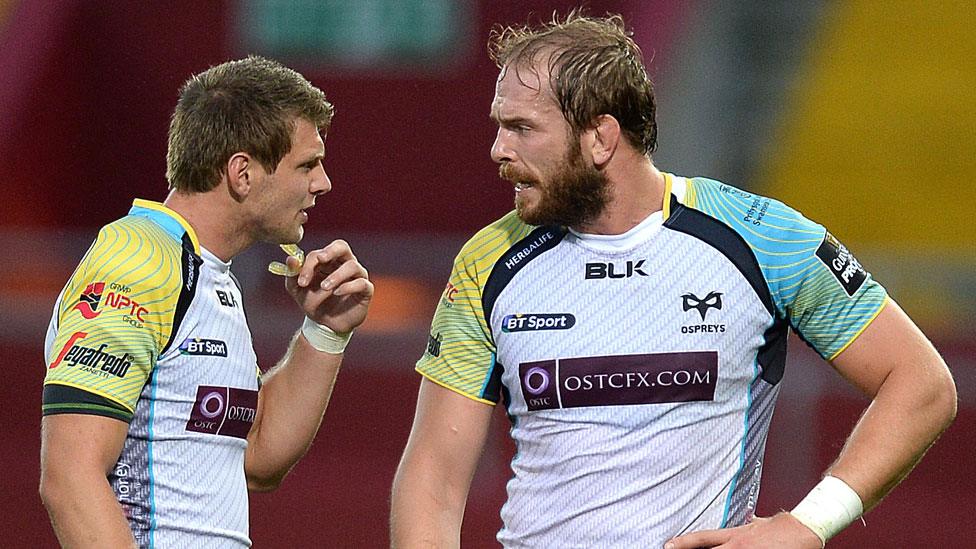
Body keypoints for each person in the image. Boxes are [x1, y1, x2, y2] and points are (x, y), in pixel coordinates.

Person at [390, 12, 956, 548]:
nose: (498, 150)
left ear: (600, 138)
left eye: (521, 128)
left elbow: (922, 382)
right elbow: (433, 472)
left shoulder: (760, 238)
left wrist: (809, 525)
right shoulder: (487, 261)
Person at [39, 56, 373, 547]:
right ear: (243, 173)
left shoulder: (206, 274)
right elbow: (70, 479)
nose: (322, 183)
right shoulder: (136, 265)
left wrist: (326, 331)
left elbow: (256, 458)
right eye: (307, 164)